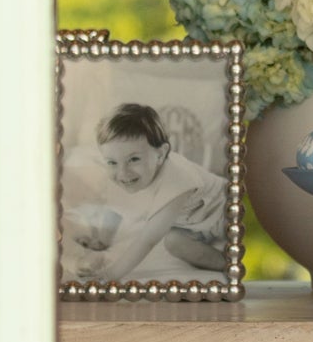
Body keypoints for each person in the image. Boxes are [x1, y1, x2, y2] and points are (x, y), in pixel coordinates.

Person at [67, 99, 228, 284]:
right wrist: (102, 241)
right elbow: (115, 207)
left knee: (170, 241)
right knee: (175, 241)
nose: (123, 172)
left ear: (160, 154)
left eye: (134, 159)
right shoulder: (125, 174)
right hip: (195, 225)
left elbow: (148, 239)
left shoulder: (177, 179)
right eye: (112, 162)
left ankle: (229, 264)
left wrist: (109, 275)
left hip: (222, 217)